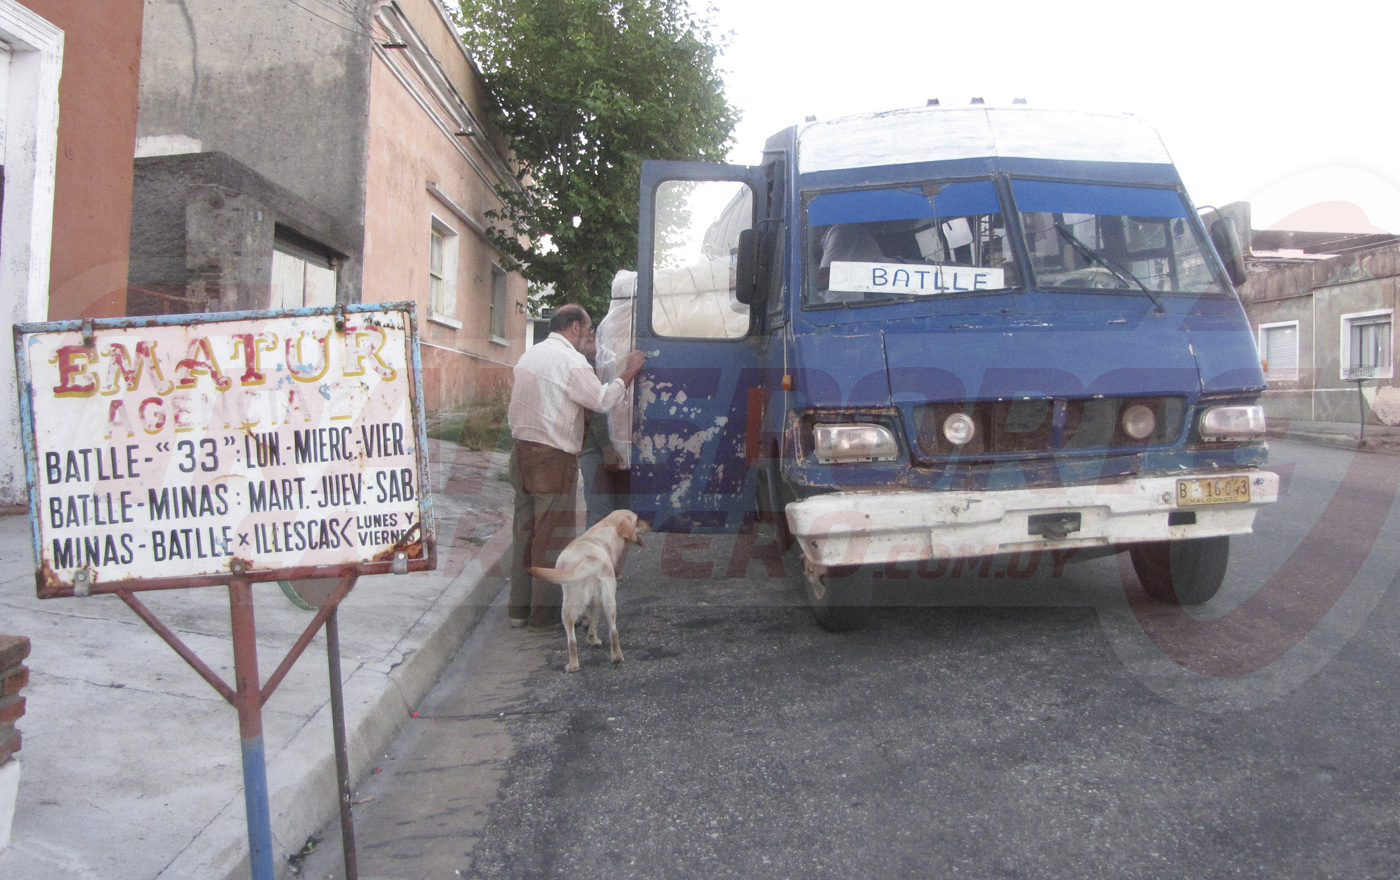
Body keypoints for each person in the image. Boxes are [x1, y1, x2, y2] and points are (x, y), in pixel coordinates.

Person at [507, 304, 644, 630]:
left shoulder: (531, 355)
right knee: (550, 536)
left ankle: (518, 611)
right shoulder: (571, 362)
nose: (591, 337)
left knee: (524, 532)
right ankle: (544, 617)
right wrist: (629, 372)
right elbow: (601, 401)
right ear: (573, 328)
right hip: (552, 458)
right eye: (588, 329)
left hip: (520, 453)